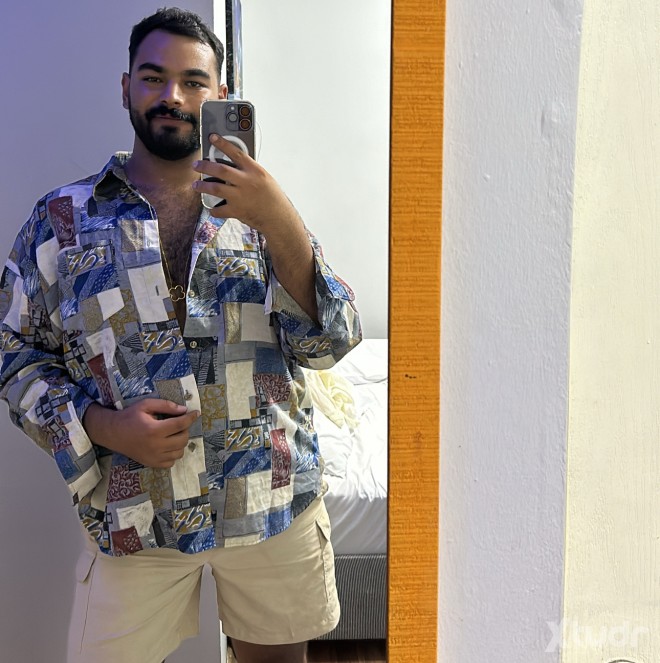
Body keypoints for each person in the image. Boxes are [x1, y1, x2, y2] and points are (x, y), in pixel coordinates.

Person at [0, 7, 361, 663]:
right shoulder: (61, 220)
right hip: (134, 513)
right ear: (125, 88)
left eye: (193, 82)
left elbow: (330, 341)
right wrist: (103, 426)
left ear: (220, 95)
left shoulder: (261, 209)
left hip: (269, 500)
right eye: (153, 77)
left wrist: (280, 219)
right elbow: (14, 355)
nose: (172, 95)